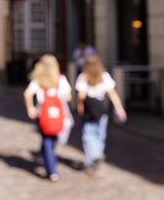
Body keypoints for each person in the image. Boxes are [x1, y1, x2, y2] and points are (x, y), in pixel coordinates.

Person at [23, 54, 72, 182]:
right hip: (57, 115)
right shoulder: (60, 79)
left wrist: (30, 108)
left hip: (43, 115)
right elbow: (68, 97)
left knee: (46, 138)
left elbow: (27, 94)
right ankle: (52, 168)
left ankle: (48, 161)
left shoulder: (38, 80)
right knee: (51, 139)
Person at [75, 54, 127, 172]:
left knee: (88, 133)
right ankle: (96, 154)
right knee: (100, 133)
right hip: (101, 108)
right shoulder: (105, 76)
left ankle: (93, 156)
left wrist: (80, 104)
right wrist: (119, 109)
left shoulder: (83, 77)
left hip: (89, 109)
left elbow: (81, 95)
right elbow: (112, 94)